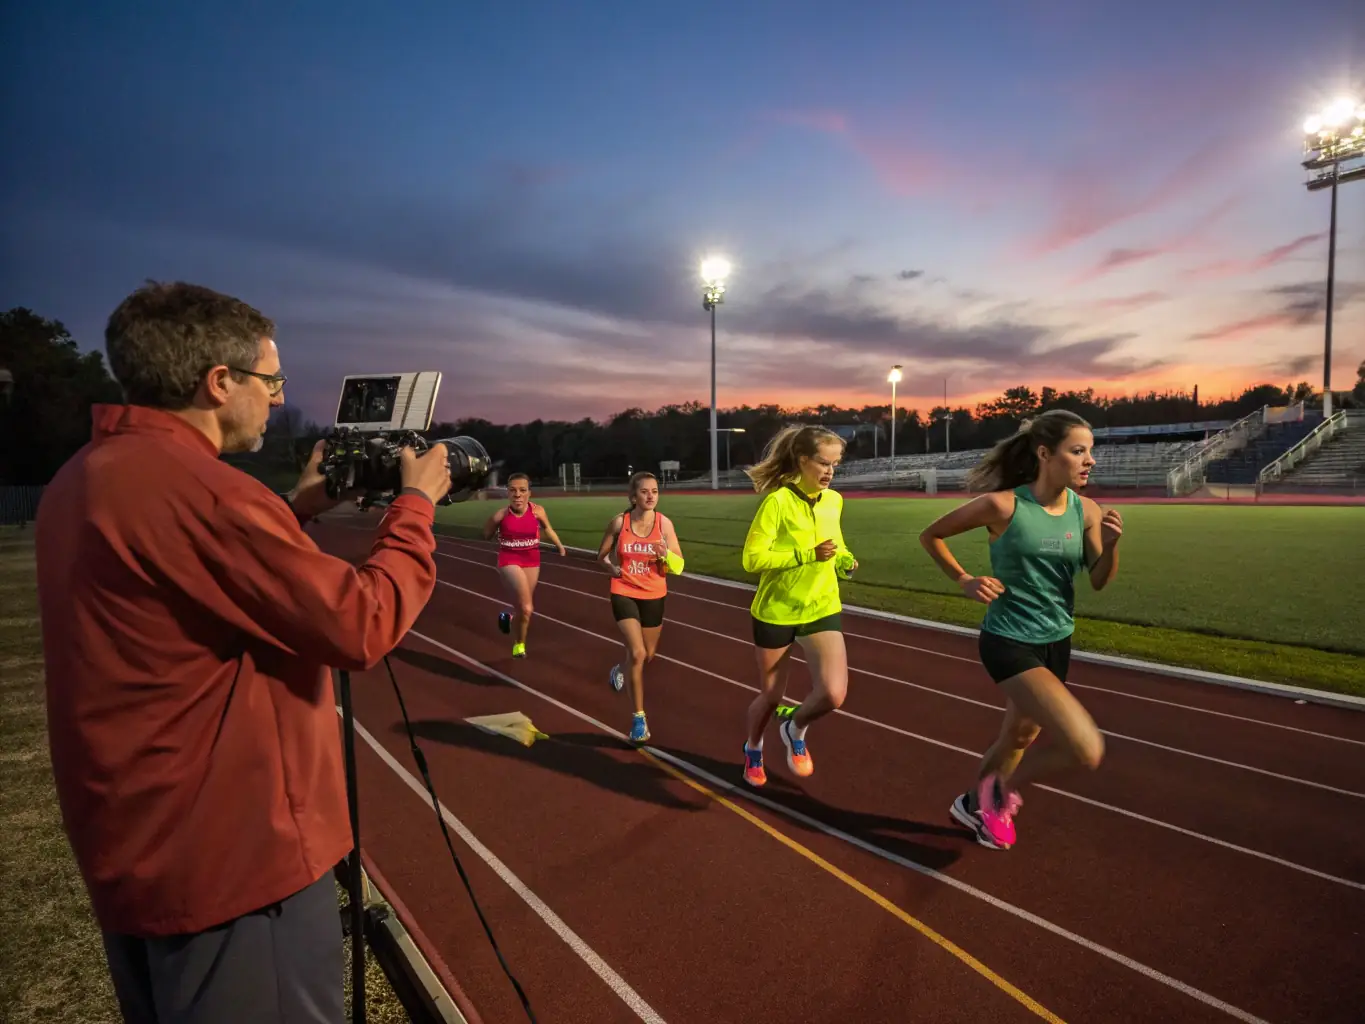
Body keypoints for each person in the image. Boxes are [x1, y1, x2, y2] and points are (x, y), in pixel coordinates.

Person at [34, 280, 454, 1023]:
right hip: (234, 863)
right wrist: (415, 505)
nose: (275, 396)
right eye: (271, 380)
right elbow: (362, 622)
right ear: (218, 381)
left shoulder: (84, 477)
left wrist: (292, 511)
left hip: (141, 850)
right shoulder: (204, 491)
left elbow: (192, 583)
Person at [918, 409, 1123, 851]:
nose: (1089, 460)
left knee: (1021, 735)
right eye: (1078, 451)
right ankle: (996, 794)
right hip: (1009, 639)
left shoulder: (1085, 510)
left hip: (1057, 639)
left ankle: (971, 803)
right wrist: (965, 579)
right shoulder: (1003, 505)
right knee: (1085, 747)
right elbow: (931, 535)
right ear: (1045, 453)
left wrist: (1112, 545)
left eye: (1091, 451)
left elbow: (1100, 579)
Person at [738, 424, 858, 787]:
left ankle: (796, 726)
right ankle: (754, 746)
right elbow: (752, 559)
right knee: (772, 696)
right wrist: (806, 554)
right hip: (776, 611)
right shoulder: (777, 502)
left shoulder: (834, 501)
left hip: (821, 606)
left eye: (835, 465)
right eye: (823, 463)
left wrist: (844, 561)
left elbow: (836, 543)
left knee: (834, 694)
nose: (829, 472)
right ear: (803, 460)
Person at [596, 471, 684, 743]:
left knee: (648, 655)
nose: (650, 496)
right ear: (633, 496)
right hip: (624, 590)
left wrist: (665, 554)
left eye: (655, 491)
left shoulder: (664, 524)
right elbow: (601, 556)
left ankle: (620, 670)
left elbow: (679, 565)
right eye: (644, 491)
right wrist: (612, 568)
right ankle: (638, 719)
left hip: (654, 594)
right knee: (636, 652)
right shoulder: (618, 523)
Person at [482, 472, 565, 658]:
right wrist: (497, 532)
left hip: (531, 560)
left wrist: (560, 546)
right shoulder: (500, 516)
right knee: (527, 608)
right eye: (513, 490)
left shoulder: (538, 511)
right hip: (509, 560)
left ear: (529, 493)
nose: (517, 494)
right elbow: (485, 535)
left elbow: (548, 529)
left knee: (522, 608)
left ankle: (508, 617)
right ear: (508, 494)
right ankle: (519, 645)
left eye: (522, 490)